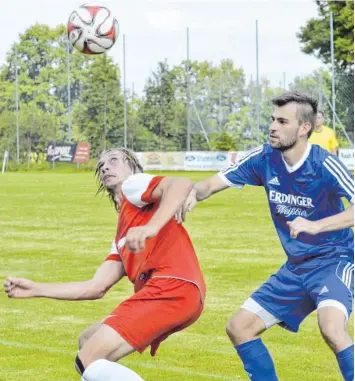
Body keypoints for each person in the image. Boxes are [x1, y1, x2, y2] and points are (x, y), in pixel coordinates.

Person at [176, 92, 354, 381]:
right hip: (296, 267)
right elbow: (210, 184)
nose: (273, 126)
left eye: (282, 121)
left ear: (303, 128)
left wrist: (316, 225)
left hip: (334, 261)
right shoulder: (263, 158)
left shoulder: (324, 164)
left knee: (332, 329)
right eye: (272, 119)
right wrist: (189, 194)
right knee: (239, 328)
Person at [4, 148, 206, 381]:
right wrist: (36, 289)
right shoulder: (122, 236)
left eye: (113, 161)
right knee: (88, 341)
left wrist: (152, 227)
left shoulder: (133, 184)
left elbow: (181, 184)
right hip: (178, 292)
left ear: (132, 168)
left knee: (88, 359)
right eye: (101, 166)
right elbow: (95, 287)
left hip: (172, 286)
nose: (106, 167)